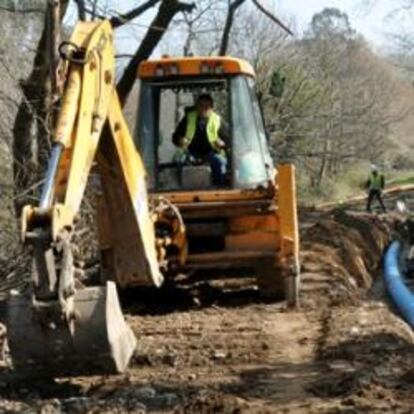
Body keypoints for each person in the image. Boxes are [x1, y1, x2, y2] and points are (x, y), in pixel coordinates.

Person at [172, 94, 228, 185]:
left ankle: (219, 187)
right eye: (201, 106)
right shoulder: (188, 118)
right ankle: (178, 187)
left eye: (207, 107)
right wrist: (180, 140)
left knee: (220, 162)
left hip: (211, 153)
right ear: (196, 107)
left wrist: (222, 144)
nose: (203, 109)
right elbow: (175, 136)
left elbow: (229, 141)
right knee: (179, 160)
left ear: (212, 108)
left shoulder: (217, 120)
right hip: (191, 153)